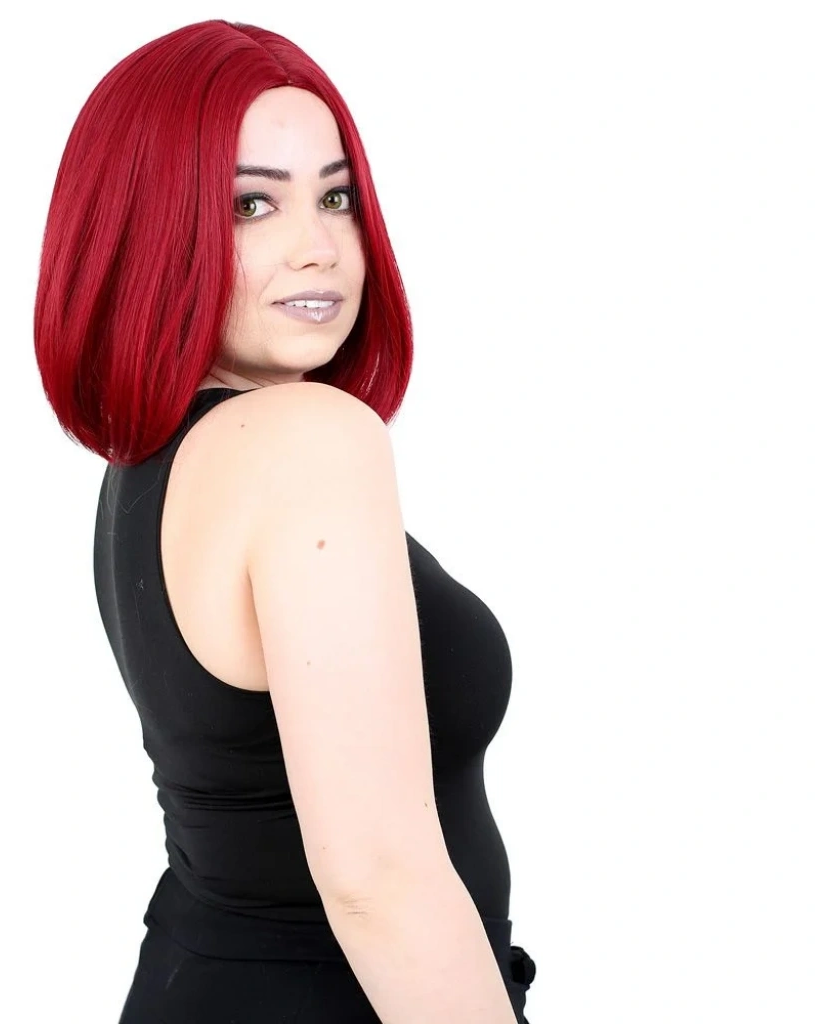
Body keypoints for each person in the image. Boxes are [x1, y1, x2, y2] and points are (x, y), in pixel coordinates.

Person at [34, 18, 537, 1023]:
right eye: (252, 203)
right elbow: (378, 882)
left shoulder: (151, 465)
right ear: (150, 228)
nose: (319, 247)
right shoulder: (306, 439)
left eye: (335, 197)